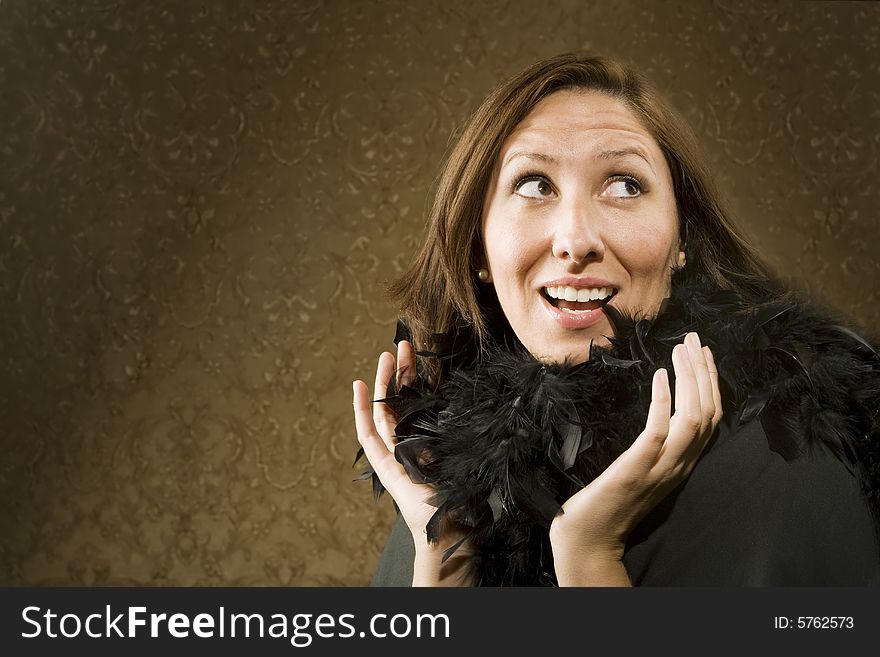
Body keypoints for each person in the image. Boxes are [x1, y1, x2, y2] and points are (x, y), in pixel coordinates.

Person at [352, 52, 880, 586]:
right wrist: (446, 559)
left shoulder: (788, 463)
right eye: (535, 185)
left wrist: (590, 557)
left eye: (624, 185)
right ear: (479, 247)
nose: (576, 241)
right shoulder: (453, 490)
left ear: (682, 240)